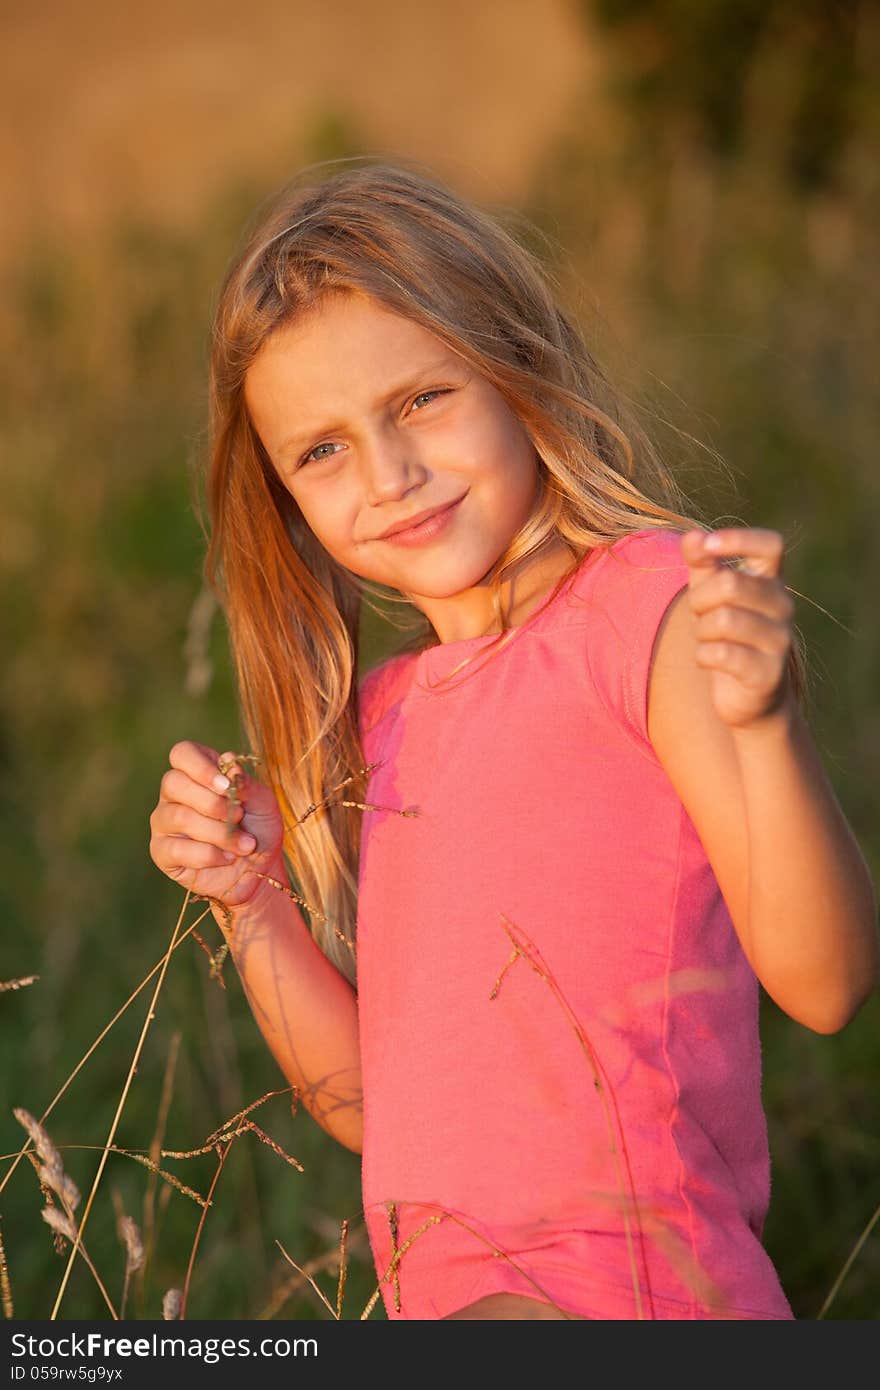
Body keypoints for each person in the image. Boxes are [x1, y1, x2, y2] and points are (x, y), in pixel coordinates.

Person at [148, 160, 878, 1321]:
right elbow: (373, 1106)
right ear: (283, 499)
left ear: (513, 367)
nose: (388, 477)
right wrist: (252, 905)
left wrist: (769, 731)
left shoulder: (644, 614)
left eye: (421, 400)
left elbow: (829, 982)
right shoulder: (384, 720)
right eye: (322, 450)